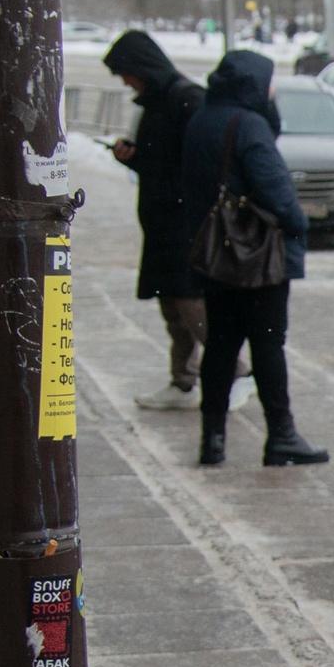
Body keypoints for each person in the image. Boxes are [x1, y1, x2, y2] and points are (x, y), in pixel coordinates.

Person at [179, 51, 327, 468]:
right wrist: (299, 225)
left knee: (221, 346)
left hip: (215, 253)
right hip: (256, 256)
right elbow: (278, 193)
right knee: (267, 345)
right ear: (254, 86)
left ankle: (213, 438)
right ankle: (281, 434)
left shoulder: (203, 119)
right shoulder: (249, 125)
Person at [102, 31, 208, 412]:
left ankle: (235, 372)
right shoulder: (155, 103)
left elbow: (196, 162)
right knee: (172, 307)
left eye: (125, 74)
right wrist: (132, 157)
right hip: (161, 222)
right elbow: (158, 161)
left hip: (183, 222)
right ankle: (183, 382)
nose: (125, 82)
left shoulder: (186, 99)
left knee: (189, 303)